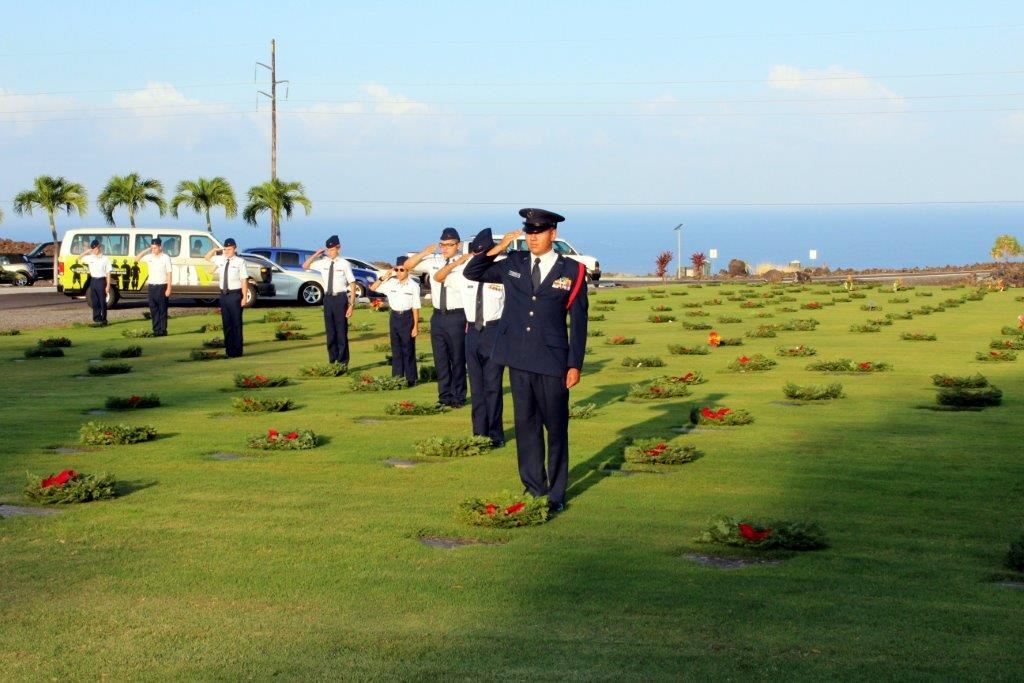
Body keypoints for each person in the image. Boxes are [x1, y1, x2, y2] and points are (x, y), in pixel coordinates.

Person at [463, 209, 589, 512]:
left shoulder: (573, 270)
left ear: (552, 235)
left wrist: (575, 364)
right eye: (528, 232)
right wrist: (498, 248)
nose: (532, 237)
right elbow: (473, 272)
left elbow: (579, 321)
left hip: (552, 361)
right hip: (518, 358)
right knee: (526, 426)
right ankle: (533, 488)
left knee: (556, 428)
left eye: (539, 232)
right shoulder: (513, 263)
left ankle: (556, 493)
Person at [439, 235, 506, 446]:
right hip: (472, 333)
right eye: (477, 252)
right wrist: (456, 263)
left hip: (494, 331)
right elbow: (439, 278)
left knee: (493, 387)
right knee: (476, 387)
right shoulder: (463, 275)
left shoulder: (501, 274)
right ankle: (479, 432)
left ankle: (496, 434)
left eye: (484, 252)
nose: (480, 256)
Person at [405, 228, 468, 408]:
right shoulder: (434, 261)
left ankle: (459, 396)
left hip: (457, 314)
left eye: (449, 245)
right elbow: (408, 266)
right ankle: (444, 396)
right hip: (438, 315)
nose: (445, 248)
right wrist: (425, 252)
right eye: (442, 244)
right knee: (440, 359)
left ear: (459, 245)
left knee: (457, 358)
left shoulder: (464, 262)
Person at [303, 235, 357, 365]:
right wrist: (316, 254)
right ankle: (332, 361)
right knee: (330, 332)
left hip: (340, 298)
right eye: (328, 250)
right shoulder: (323, 263)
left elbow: (352, 283)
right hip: (328, 299)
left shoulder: (344, 264)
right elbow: (305, 265)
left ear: (338, 248)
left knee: (341, 332)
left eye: (332, 249)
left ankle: (343, 363)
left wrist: (351, 305)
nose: (330, 252)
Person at [370, 255, 422, 386]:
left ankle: (411, 378)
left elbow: (416, 308)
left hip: (407, 317)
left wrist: (415, 326)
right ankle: (397, 378)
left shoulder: (413, 286)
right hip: (394, 317)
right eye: (397, 269)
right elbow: (373, 288)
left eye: (402, 270)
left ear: (408, 270)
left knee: (408, 349)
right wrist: (384, 276)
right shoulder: (391, 283)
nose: (399, 272)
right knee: (396, 349)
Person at [203, 238, 248, 357]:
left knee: (236, 324)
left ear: (235, 248)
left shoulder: (240, 262)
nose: (227, 251)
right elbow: (206, 257)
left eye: (229, 249)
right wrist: (215, 249)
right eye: (225, 249)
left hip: (235, 294)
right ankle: (229, 351)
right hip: (223, 295)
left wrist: (244, 297)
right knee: (226, 324)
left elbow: (244, 280)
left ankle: (237, 351)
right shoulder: (221, 259)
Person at [136, 237, 173, 336]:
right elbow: (136, 259)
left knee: (162, 309)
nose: (153, 250)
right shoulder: (149, 257)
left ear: (160, 247)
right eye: (152, 248)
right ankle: (156, 330)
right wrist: (147, 250)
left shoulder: (165, 257)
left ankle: (163, 330)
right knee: (153, 309)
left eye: (155, 248)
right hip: (152, 286)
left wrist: (169, 288)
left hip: (162, 286)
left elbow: (169, 273)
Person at [78, 239, 112, 325]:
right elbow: (79, 258)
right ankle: (96, 318)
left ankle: (104, 319)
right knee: (95, 300)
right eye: (93, 249)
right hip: (93, 280)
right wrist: (88, 251)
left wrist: (108, 285)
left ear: (99, 247)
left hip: (101, 280)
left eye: (96, 248)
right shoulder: (90, 258)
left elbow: (108, 273)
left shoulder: (105, 258)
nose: (95, 250)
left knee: (102, 301)